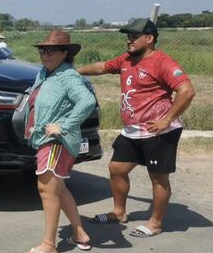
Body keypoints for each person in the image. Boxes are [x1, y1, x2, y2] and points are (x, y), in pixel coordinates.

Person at [78, 18, 195, 238]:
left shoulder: (163, 62)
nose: (129, 40)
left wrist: (167, 119)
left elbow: (187, 91)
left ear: (149, 39)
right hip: (132, 130)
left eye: (134, 36)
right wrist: (75, 72)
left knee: (158, 177)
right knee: (117, 169)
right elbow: (102, 67)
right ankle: (119, 212)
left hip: (158, 131)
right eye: (128, 36)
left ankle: (156, 222)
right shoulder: (126, 60)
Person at [23, 30, 96, 253]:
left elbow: (87, 101)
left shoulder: (67, 77)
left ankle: (49, 244)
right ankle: (80, 233)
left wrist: (63, 125)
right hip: (46, 139)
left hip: (56, 141)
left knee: (47, 190)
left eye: (52, 50)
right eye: (42, 50)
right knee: (60, 189)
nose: (45, 54)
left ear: (65, 53)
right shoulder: (46, 73)